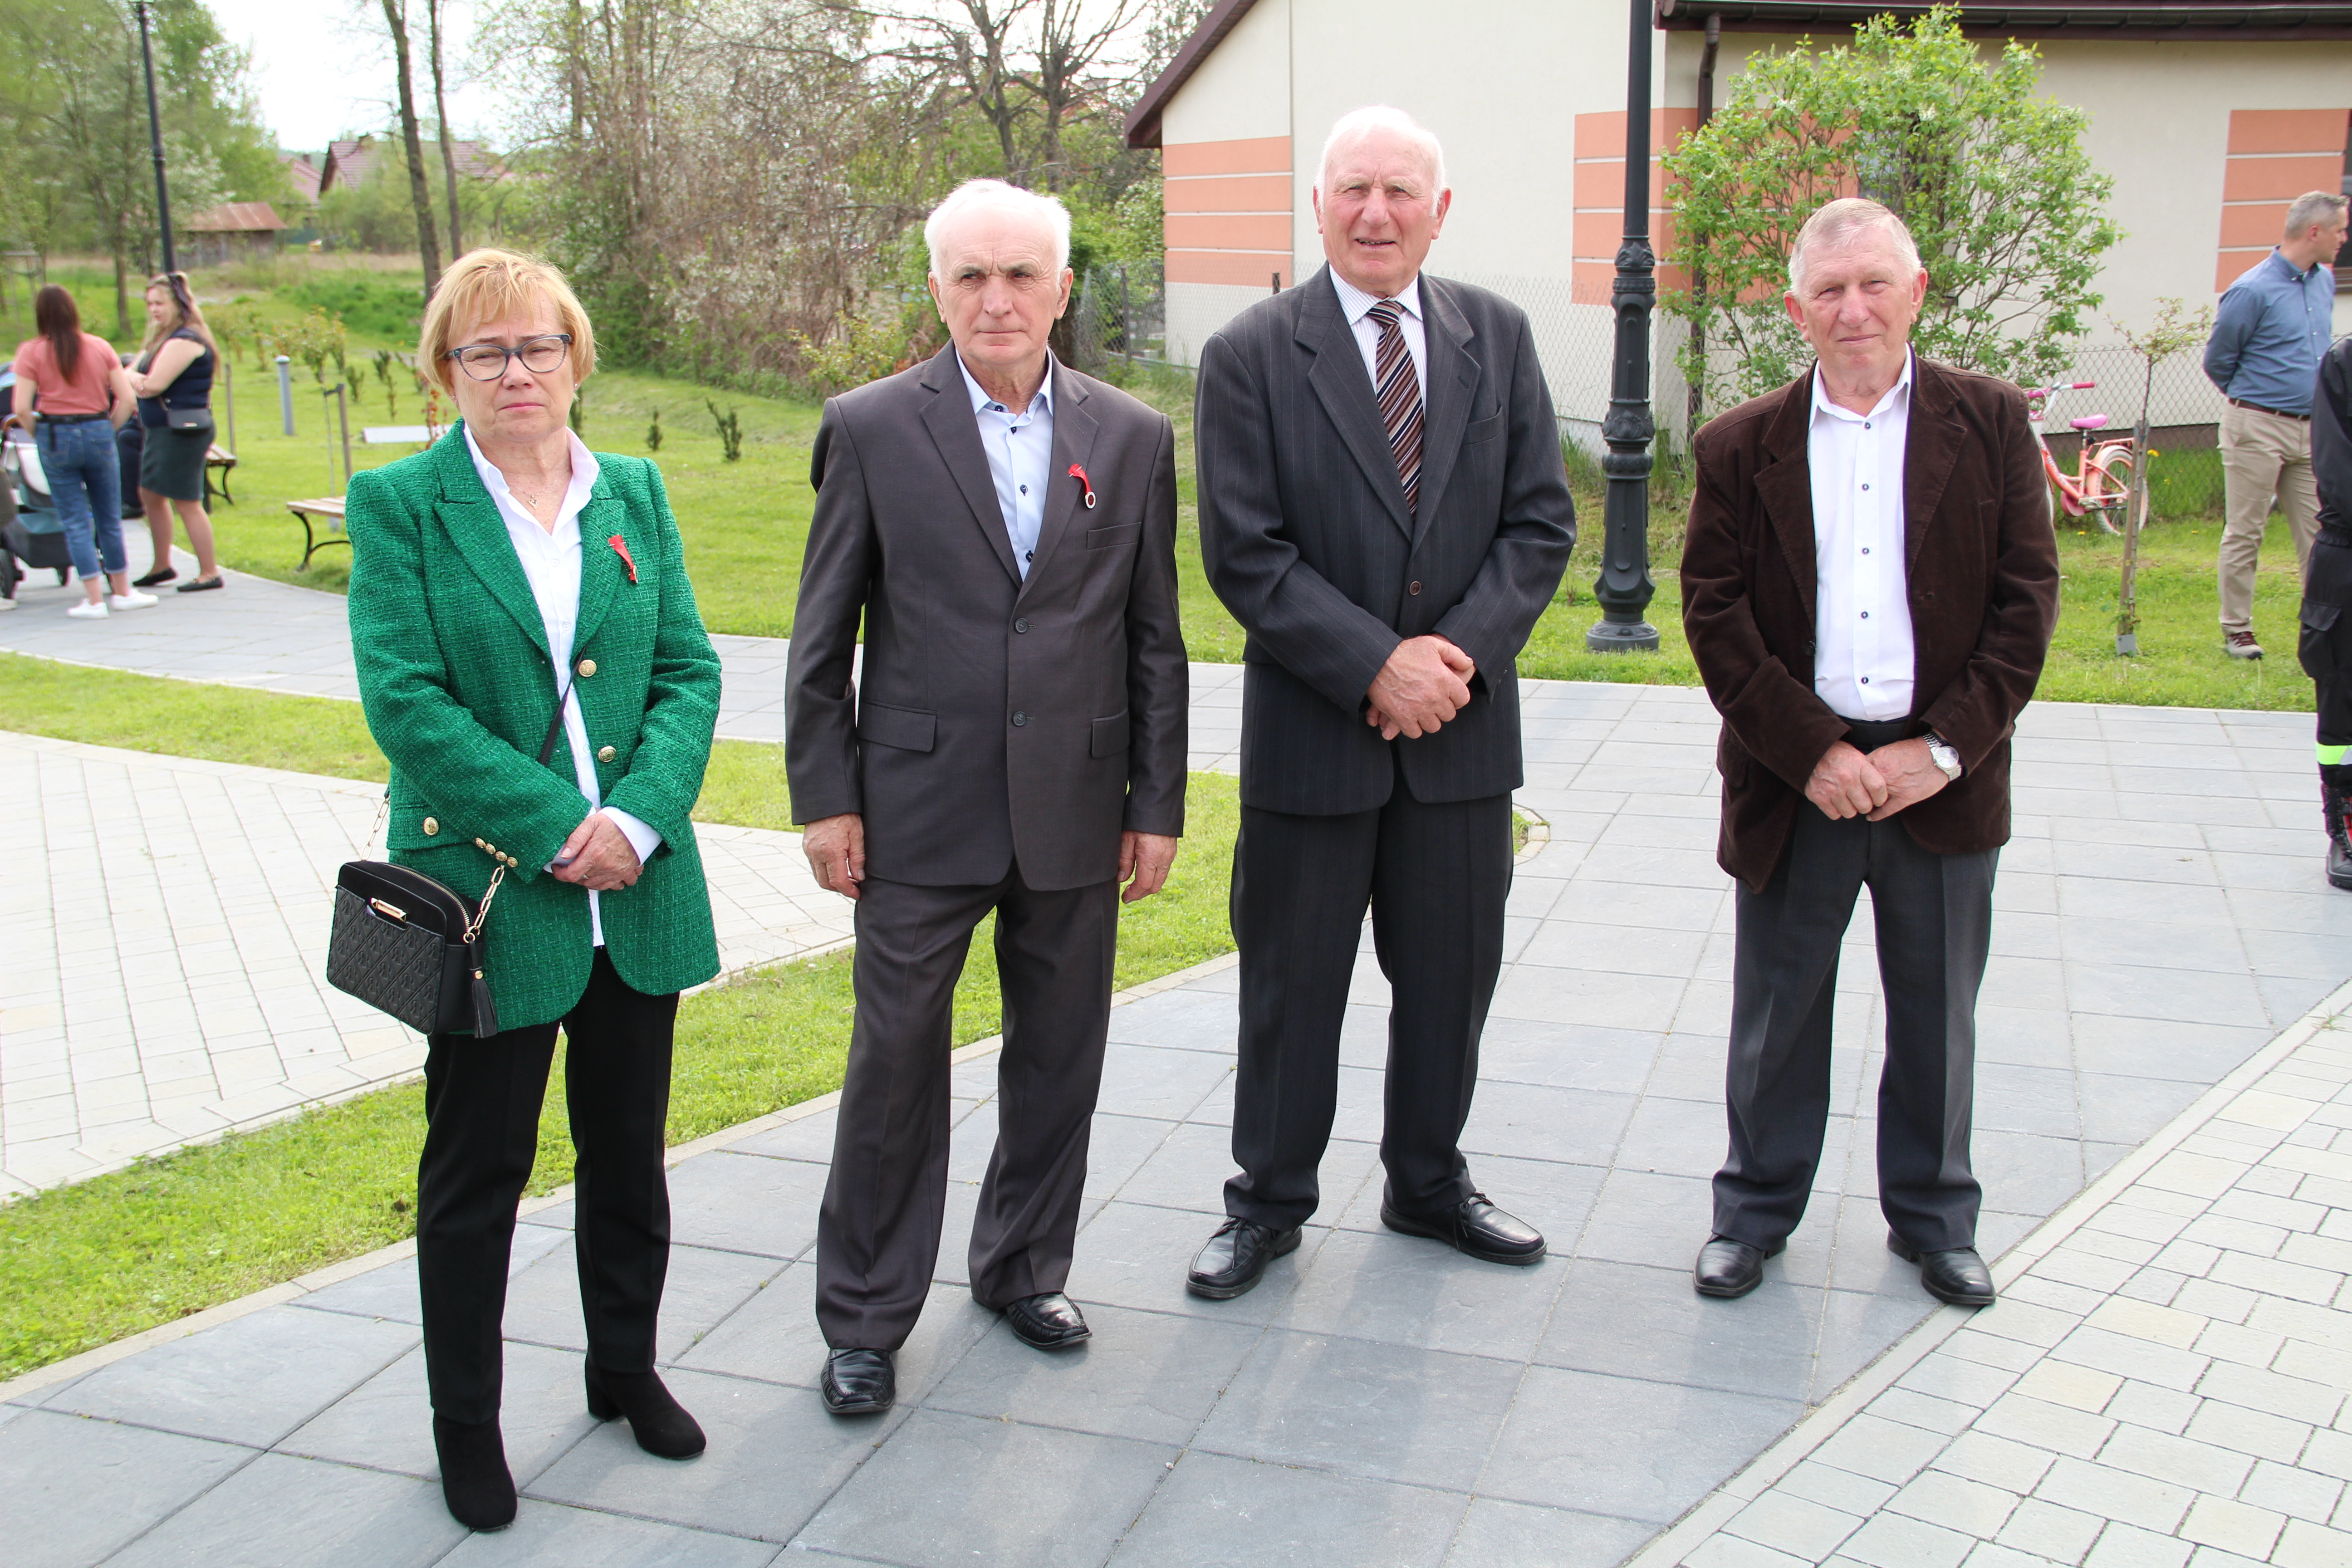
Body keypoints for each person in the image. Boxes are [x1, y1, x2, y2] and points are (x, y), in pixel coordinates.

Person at [785, 178, 1188, 1416]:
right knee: (895, 1063)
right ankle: (865, 1318)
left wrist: (1156, 803)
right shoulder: (868, 428)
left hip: (1077, 803)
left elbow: (1153, 636)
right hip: (915, 808)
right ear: (937, 289)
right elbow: (822, 635)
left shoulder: (1133, 436)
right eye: (971, 275)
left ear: (1062, 290)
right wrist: (825, 797)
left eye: (1020, 275)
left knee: (1059, 1055)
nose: (997, 298)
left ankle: (1023, 1269)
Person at [346, 248, 724, 1531]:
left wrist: (638, 818)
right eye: (486, 350)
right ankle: (467, 1426)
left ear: (576, 357)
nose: (517, 371)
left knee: (628, 1157)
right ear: (446, 370)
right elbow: (407, 705)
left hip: (637, 894)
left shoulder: (634, 493)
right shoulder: (403, 504)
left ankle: (625, 1370)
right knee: (477, 1176)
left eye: (538, 345)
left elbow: (687, 670)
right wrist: (567, 825)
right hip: (494, 901)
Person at [1185, 106, 1576, 1300]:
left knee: (1452, 980)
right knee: (1291, 987)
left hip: (1461, 744)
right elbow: (1245, 552)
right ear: (1318, 205)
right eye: (1353, 189)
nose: (1375, 212)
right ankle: (1267, 1205)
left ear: (1439, 211)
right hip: (1314, 741)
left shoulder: (1497, 336)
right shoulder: (1250, 353)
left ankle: (1428, 1183)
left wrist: (1450, 659)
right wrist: (1375, 666)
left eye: (1400, 191)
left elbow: (1539, 524)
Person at [1681, 197, 2060, 1310]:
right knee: (1778, 1013)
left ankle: (1936, 1222)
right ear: (1796, 308)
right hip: (1795, 776)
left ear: (1916, 292)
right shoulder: (1738, 445)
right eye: (1830, 291)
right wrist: (1813, 754)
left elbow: (2026, 604)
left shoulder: (1990, 422)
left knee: (1937, 1017)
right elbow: (1714, 615)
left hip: (1940, 779)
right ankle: (1752, 1213)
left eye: (1875, 284)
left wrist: (1940, 750)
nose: (1854, 309)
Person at [2205, 191, 2348, 659]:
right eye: (2340, 230)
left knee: (2321, 534)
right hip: (2257, 426)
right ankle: (2237, 630)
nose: (2344, 239)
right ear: (2315, 232)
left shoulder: (2324, 281)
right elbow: (2219, 360)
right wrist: (2254, 402)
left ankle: (2323, 625)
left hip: (2312, 429)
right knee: (2246, 531)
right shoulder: (2252, 290)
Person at [6, 285, 147, 618]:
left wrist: (40, 435)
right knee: (109, 515)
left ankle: (94, 599)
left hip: (56, 433)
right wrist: (109, 429)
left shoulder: (31, 352)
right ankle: (123, 591)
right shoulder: (99, 346)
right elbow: (127, 398)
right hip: (97, 429)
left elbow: (21, 408)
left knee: (74, 519)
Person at [124, 272, 224, 591]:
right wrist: (134, 378)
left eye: (160, 303)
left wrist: (133, 379)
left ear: (177, 305)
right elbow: (133, 373)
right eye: (149, 304)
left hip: (182, 432)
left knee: (187, 501)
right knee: (150, 495)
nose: (154, 310)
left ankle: (209, 572)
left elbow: (153, 384)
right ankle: (162, 565)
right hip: (162, 430)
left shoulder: (185, 340)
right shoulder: (163, 338)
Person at [2303, 330, 2352, 889]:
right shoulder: (2346, 361)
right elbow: (2338, 475)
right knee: (2344, 702)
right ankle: (2346, 823)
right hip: (2348, 562)